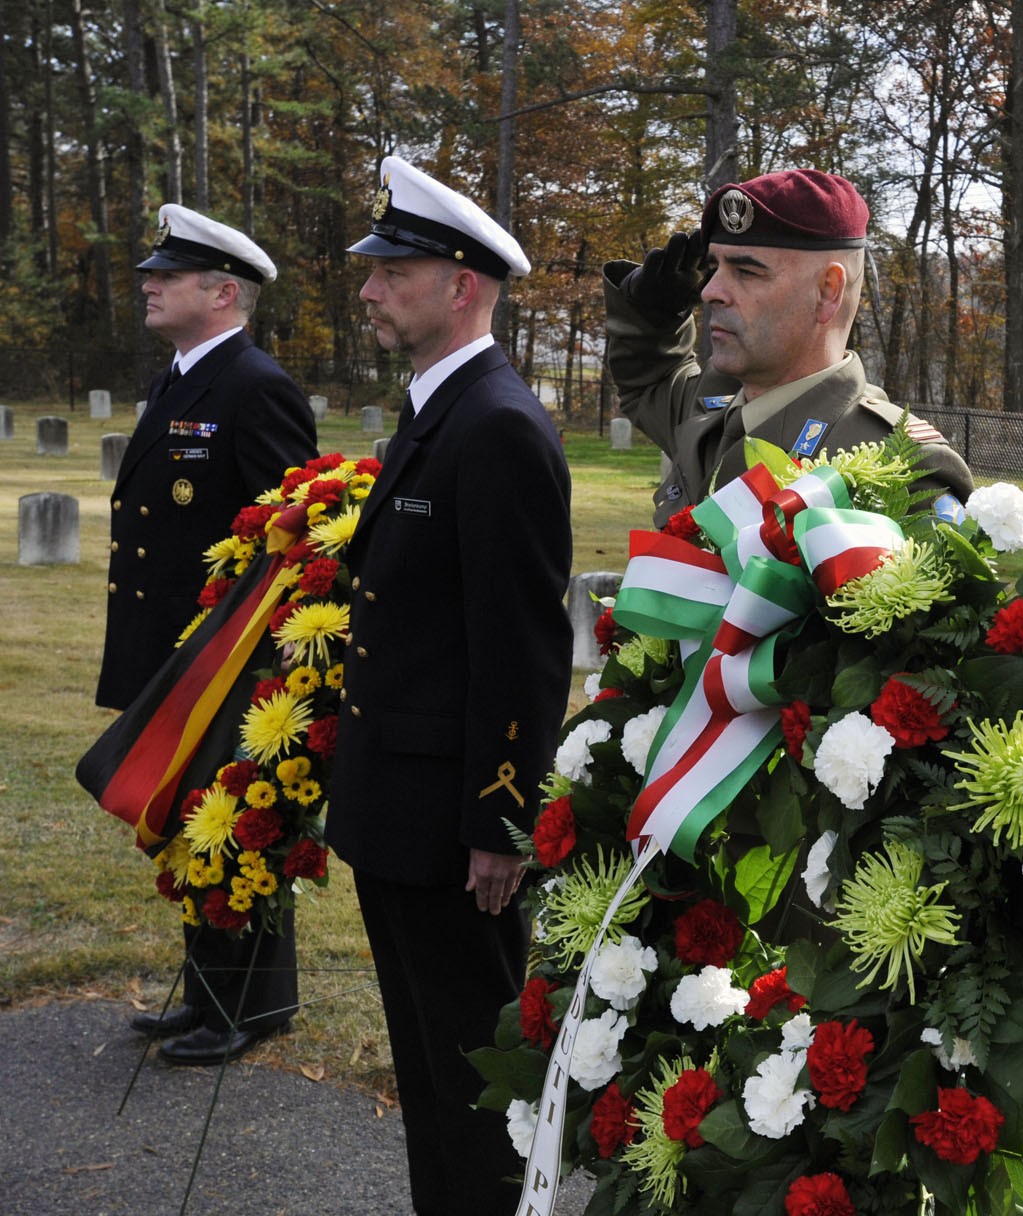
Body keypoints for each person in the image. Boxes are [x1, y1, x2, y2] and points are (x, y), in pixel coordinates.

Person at [326, 156, 572, 1216]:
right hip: (398, 810)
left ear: (461, 285)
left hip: (450, 833)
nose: (369, 290)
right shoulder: (440, 410)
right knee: (428, 1071)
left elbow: (521, 648)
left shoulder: (498, 424)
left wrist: (498, 822)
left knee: (474, 1083)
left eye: (392, 272)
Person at [103, 204, 316, 1065]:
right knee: (189, 825)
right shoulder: (180, 380)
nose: (148, 286)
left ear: (223, 292)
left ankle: (251, 1005)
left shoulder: (254, 385)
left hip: (227, 655)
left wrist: (266, 655)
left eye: (167, 275)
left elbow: (288, 530)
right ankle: (206, 991)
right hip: (172, 647)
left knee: (236, 818)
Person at [602, 168, 972, 525]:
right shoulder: (711, 408)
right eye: (714, 268)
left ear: (828, 291)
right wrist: (653, 314)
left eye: (746, 272)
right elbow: (647, 379)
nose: (709, 291)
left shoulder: (898, 465)